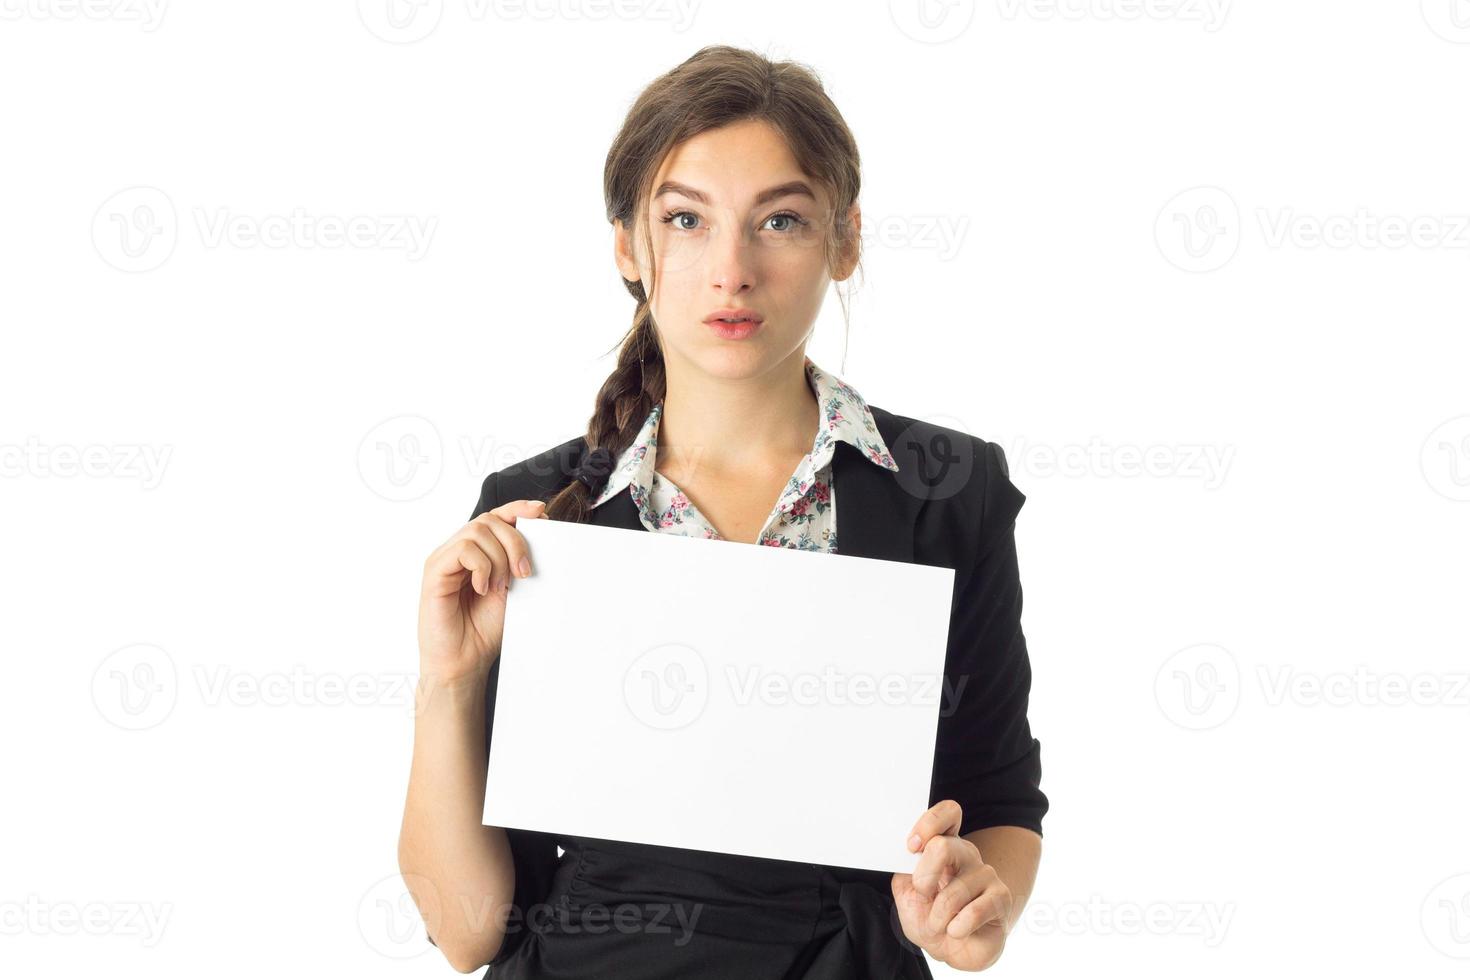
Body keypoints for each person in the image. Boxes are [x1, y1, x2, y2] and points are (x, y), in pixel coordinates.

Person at [398, 44, 1048, 978]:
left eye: (779, 219)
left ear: (845, 238)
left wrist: (977, 910)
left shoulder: (946, 490)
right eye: (686, 220)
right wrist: (449, 679)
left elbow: (998, 803)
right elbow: (466, 934)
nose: (731, 270)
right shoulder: (534, 515)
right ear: (627, 245)